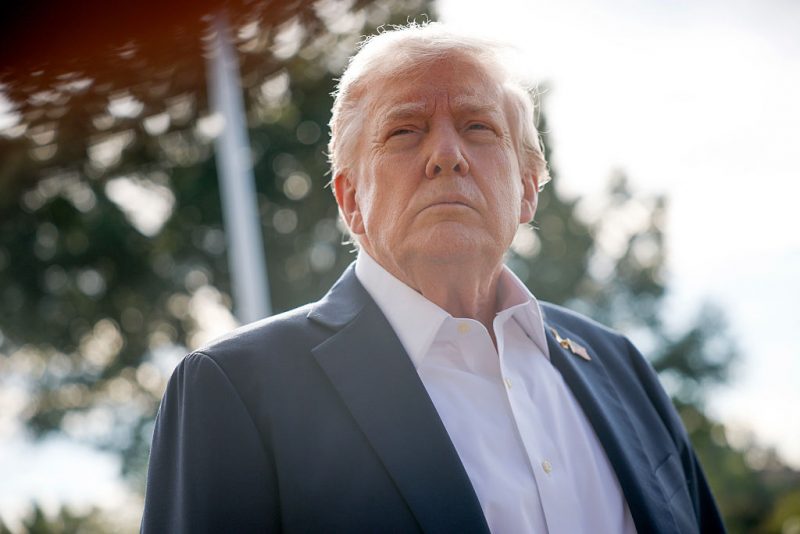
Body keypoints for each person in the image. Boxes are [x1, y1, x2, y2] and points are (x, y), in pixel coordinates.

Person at [141, 22, 725, 533]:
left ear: (526, 187)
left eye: (478, 127)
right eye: (404, 131)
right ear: (350, 200)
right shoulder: (235, 389)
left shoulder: (620, 367)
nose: (447, 154)